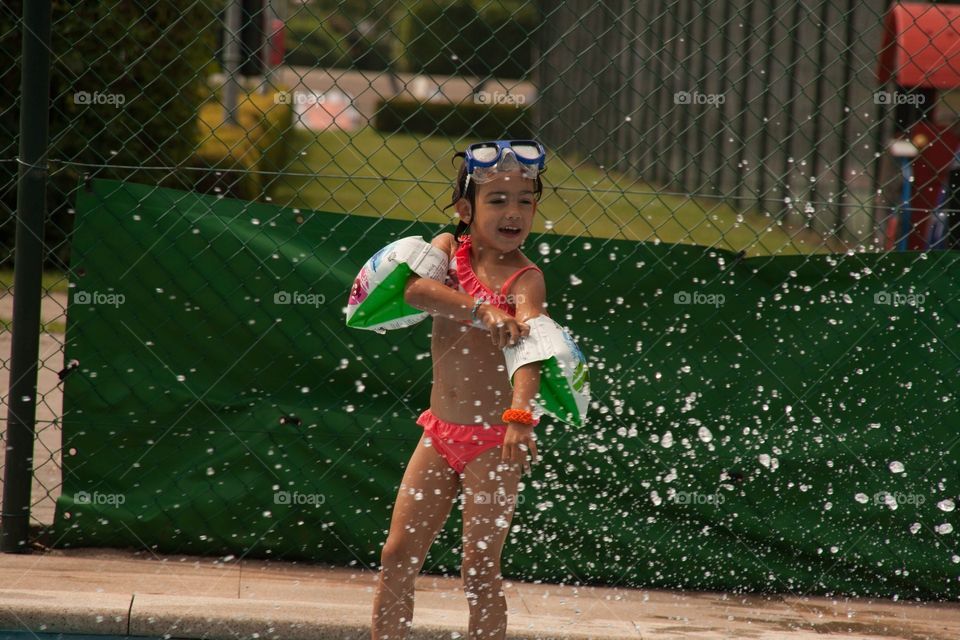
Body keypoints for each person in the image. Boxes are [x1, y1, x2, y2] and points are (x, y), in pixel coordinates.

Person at [371, 140, 549, 640]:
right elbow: (413, 290)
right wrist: (480, 310)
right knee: (397, 554)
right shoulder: (448, 252)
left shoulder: (525, 279)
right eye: (498, 200)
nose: (513, 212)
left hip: (493, 443)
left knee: (478, 570)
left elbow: (531, 348)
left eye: (525, 201)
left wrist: (519, 416)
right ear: (466, 210)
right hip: (439, 434)